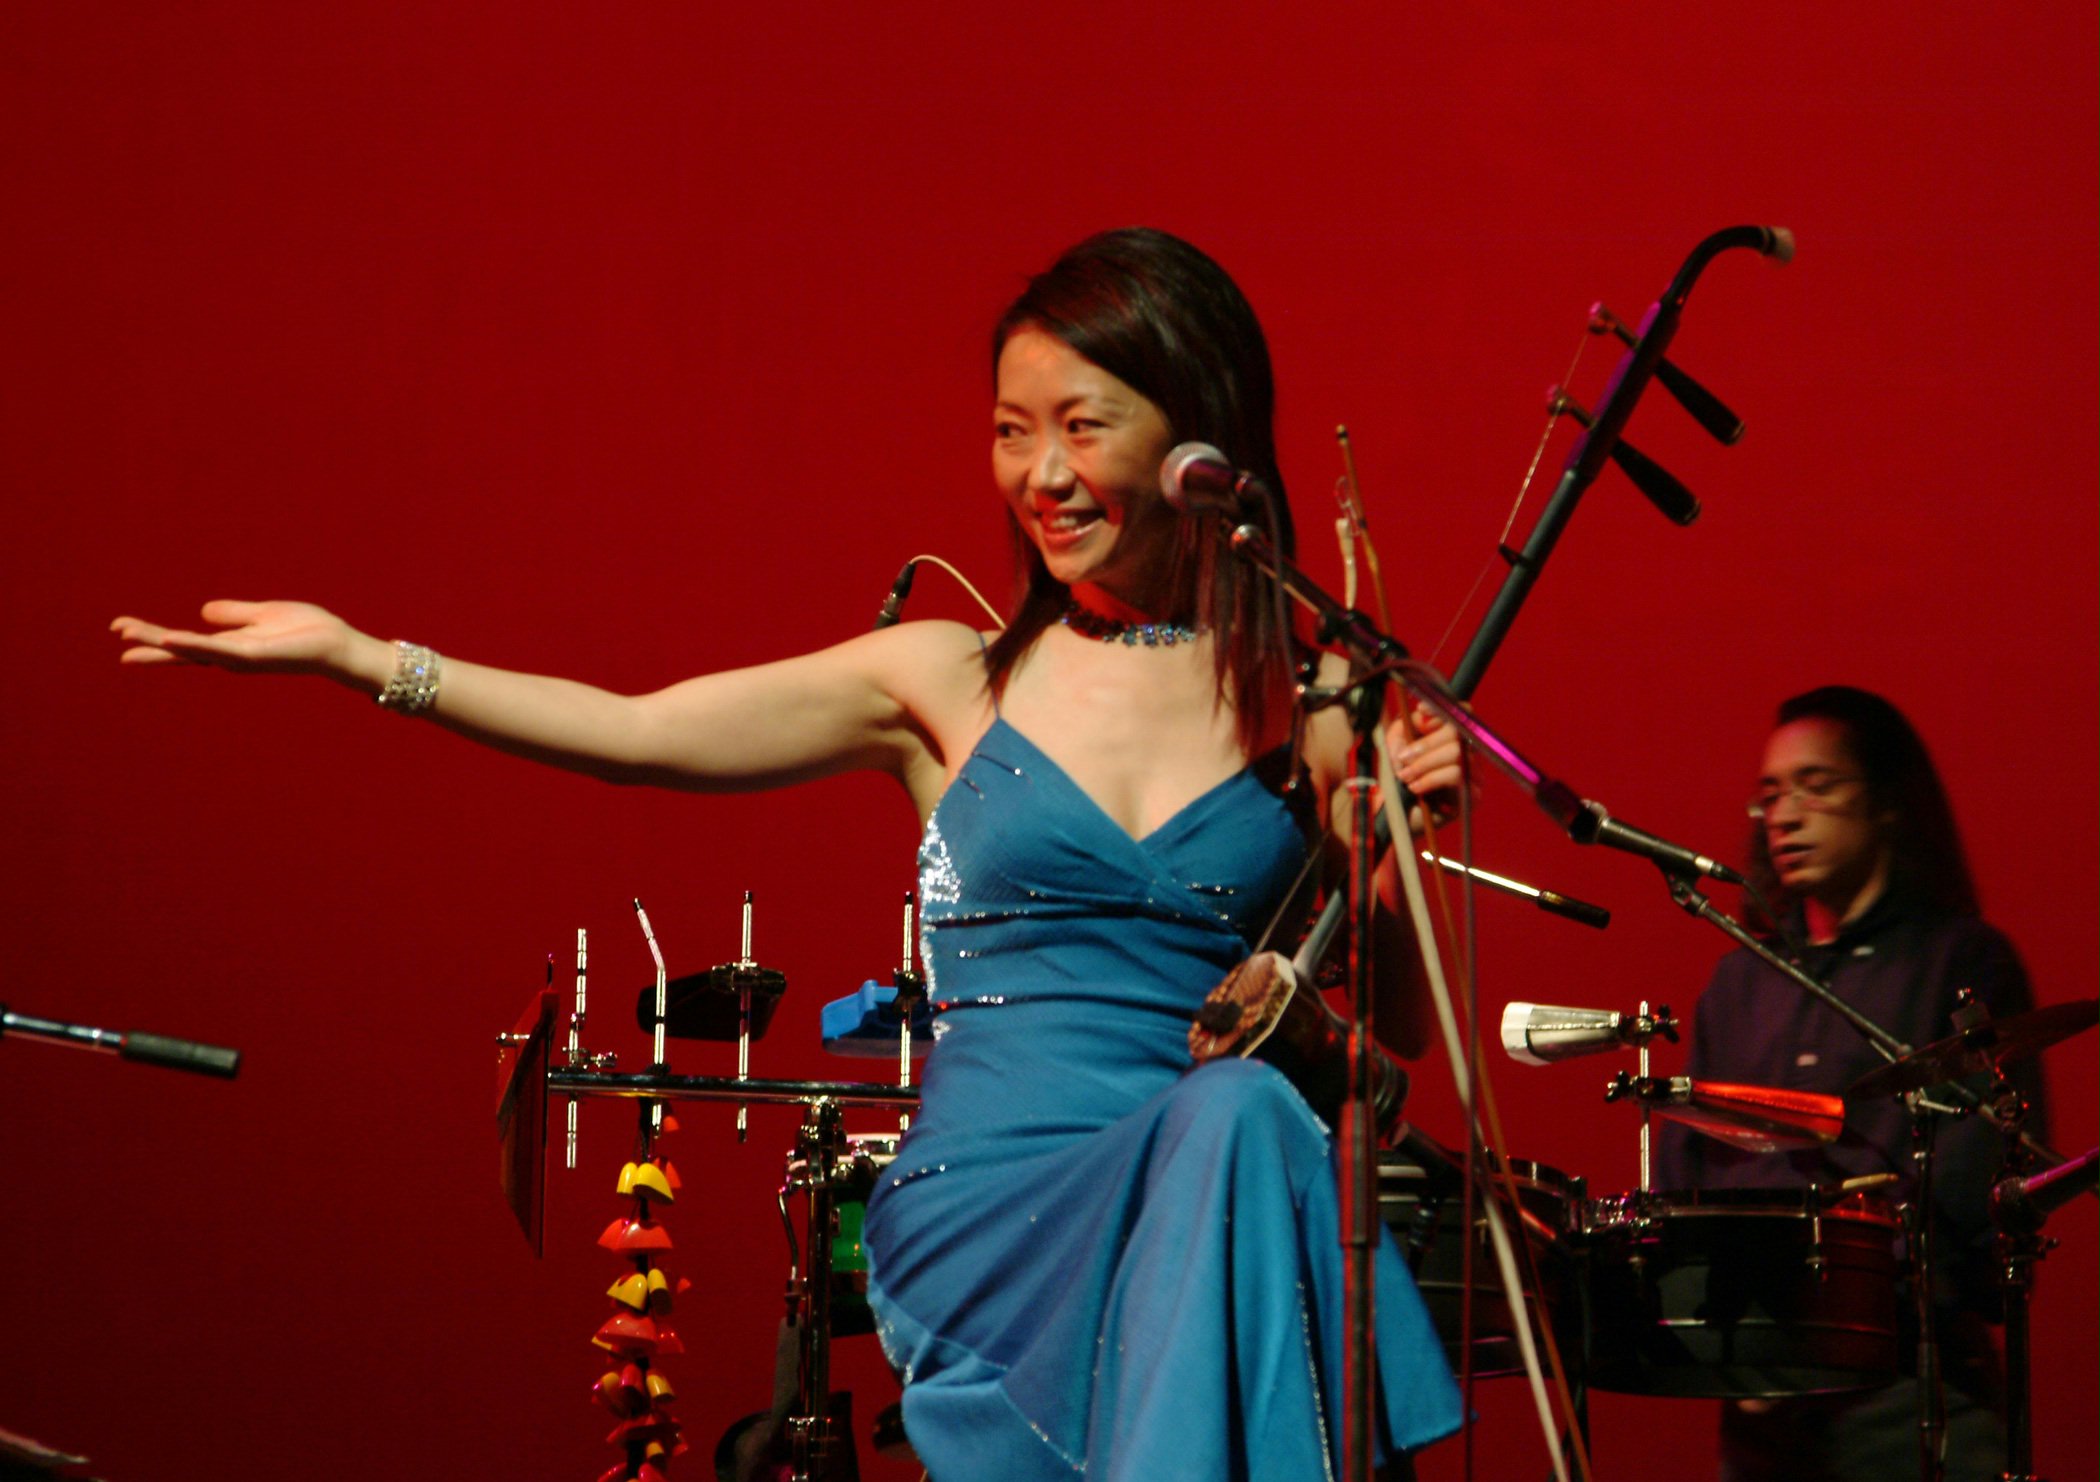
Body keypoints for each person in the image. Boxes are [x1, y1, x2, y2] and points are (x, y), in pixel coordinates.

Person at [113, 227, 1465, 1479]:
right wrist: (370, 660)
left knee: (1240, 1117)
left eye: (1081, 427)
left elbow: (1394, 1023)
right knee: (1240, 1126)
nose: (1040, 475)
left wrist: (1373, 837)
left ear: (1199, 445)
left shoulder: (1308, 696)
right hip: (1001, 1210)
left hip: (1203, 1198)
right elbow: (636, 731)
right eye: (1010, 432)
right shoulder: (945, 676)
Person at [1657, 686, 2045, 1482]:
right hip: (1764, 1402)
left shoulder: (1961, 964)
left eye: (1817, 785)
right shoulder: (1739, 985)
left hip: (1909, 1388)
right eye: (1770, 795)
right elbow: (1685, 1176)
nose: (1787, 813)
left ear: (1887, 804)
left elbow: (1980, 1189)